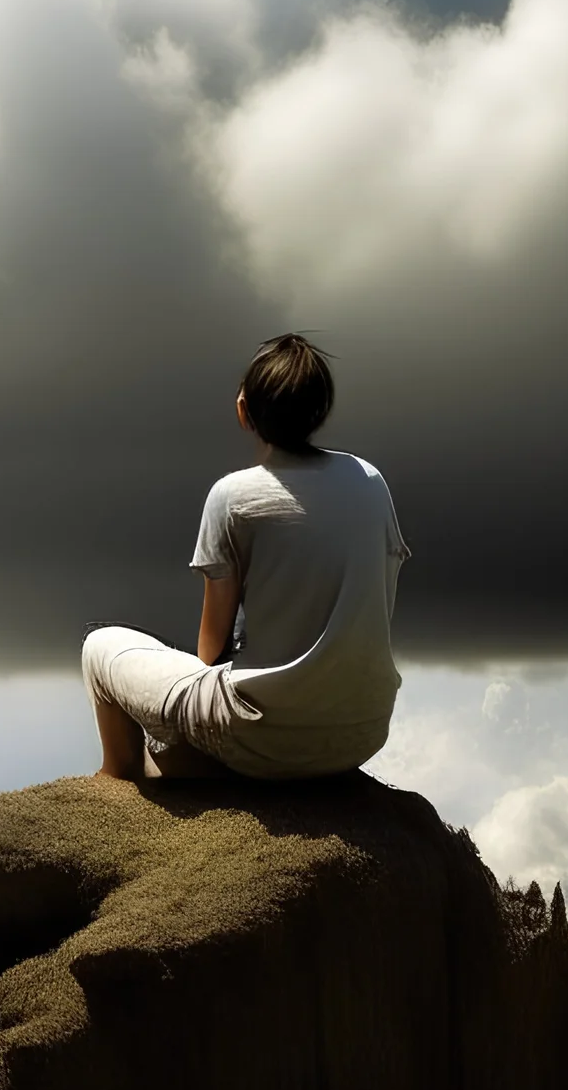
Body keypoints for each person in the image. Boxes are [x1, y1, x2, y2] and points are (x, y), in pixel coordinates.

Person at [83, 334, 409, 782]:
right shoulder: (371, 481)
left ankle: (115, 781)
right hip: (361, 730)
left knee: (100, 646)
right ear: (320, 409)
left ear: (244, 410)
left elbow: (209, 648)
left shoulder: (232, 495)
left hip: (261, 732)